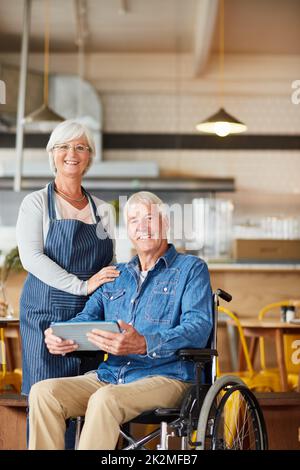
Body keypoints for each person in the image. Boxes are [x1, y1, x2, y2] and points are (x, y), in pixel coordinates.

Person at [28, 191, 213, 450]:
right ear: (128, 230)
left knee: (106, 399)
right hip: (112, 375)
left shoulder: (191, 269)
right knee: (43, 393)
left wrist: (143, 343)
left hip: (168, 376)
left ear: (166, 223)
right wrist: (63, 336)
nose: (142, 227)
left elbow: (198, 329)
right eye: (134, 221)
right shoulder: (116, 275)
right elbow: (87, 318)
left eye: (149, 218)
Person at [16, 119, 119, 397]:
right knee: (44, 399)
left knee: (89, 399)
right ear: (52, 154)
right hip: (45, 317)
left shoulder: (104, 210)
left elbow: (111, 265)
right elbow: (31, 258)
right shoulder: (36, 203)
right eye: (63, 146)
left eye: (80, 147)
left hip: (89, 318)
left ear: (89, 157)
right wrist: (81, 286)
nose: (71, 154)